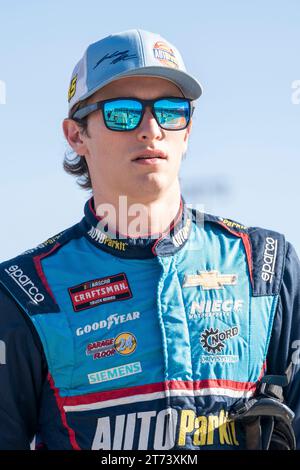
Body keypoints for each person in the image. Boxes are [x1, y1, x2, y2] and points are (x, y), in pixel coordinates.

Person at [0, 28, 299, 451]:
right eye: (123, 112)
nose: (151, 129)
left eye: (171, 111)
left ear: (188, 130)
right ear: (76, 135)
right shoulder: (24, 290)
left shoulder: (265, 266)